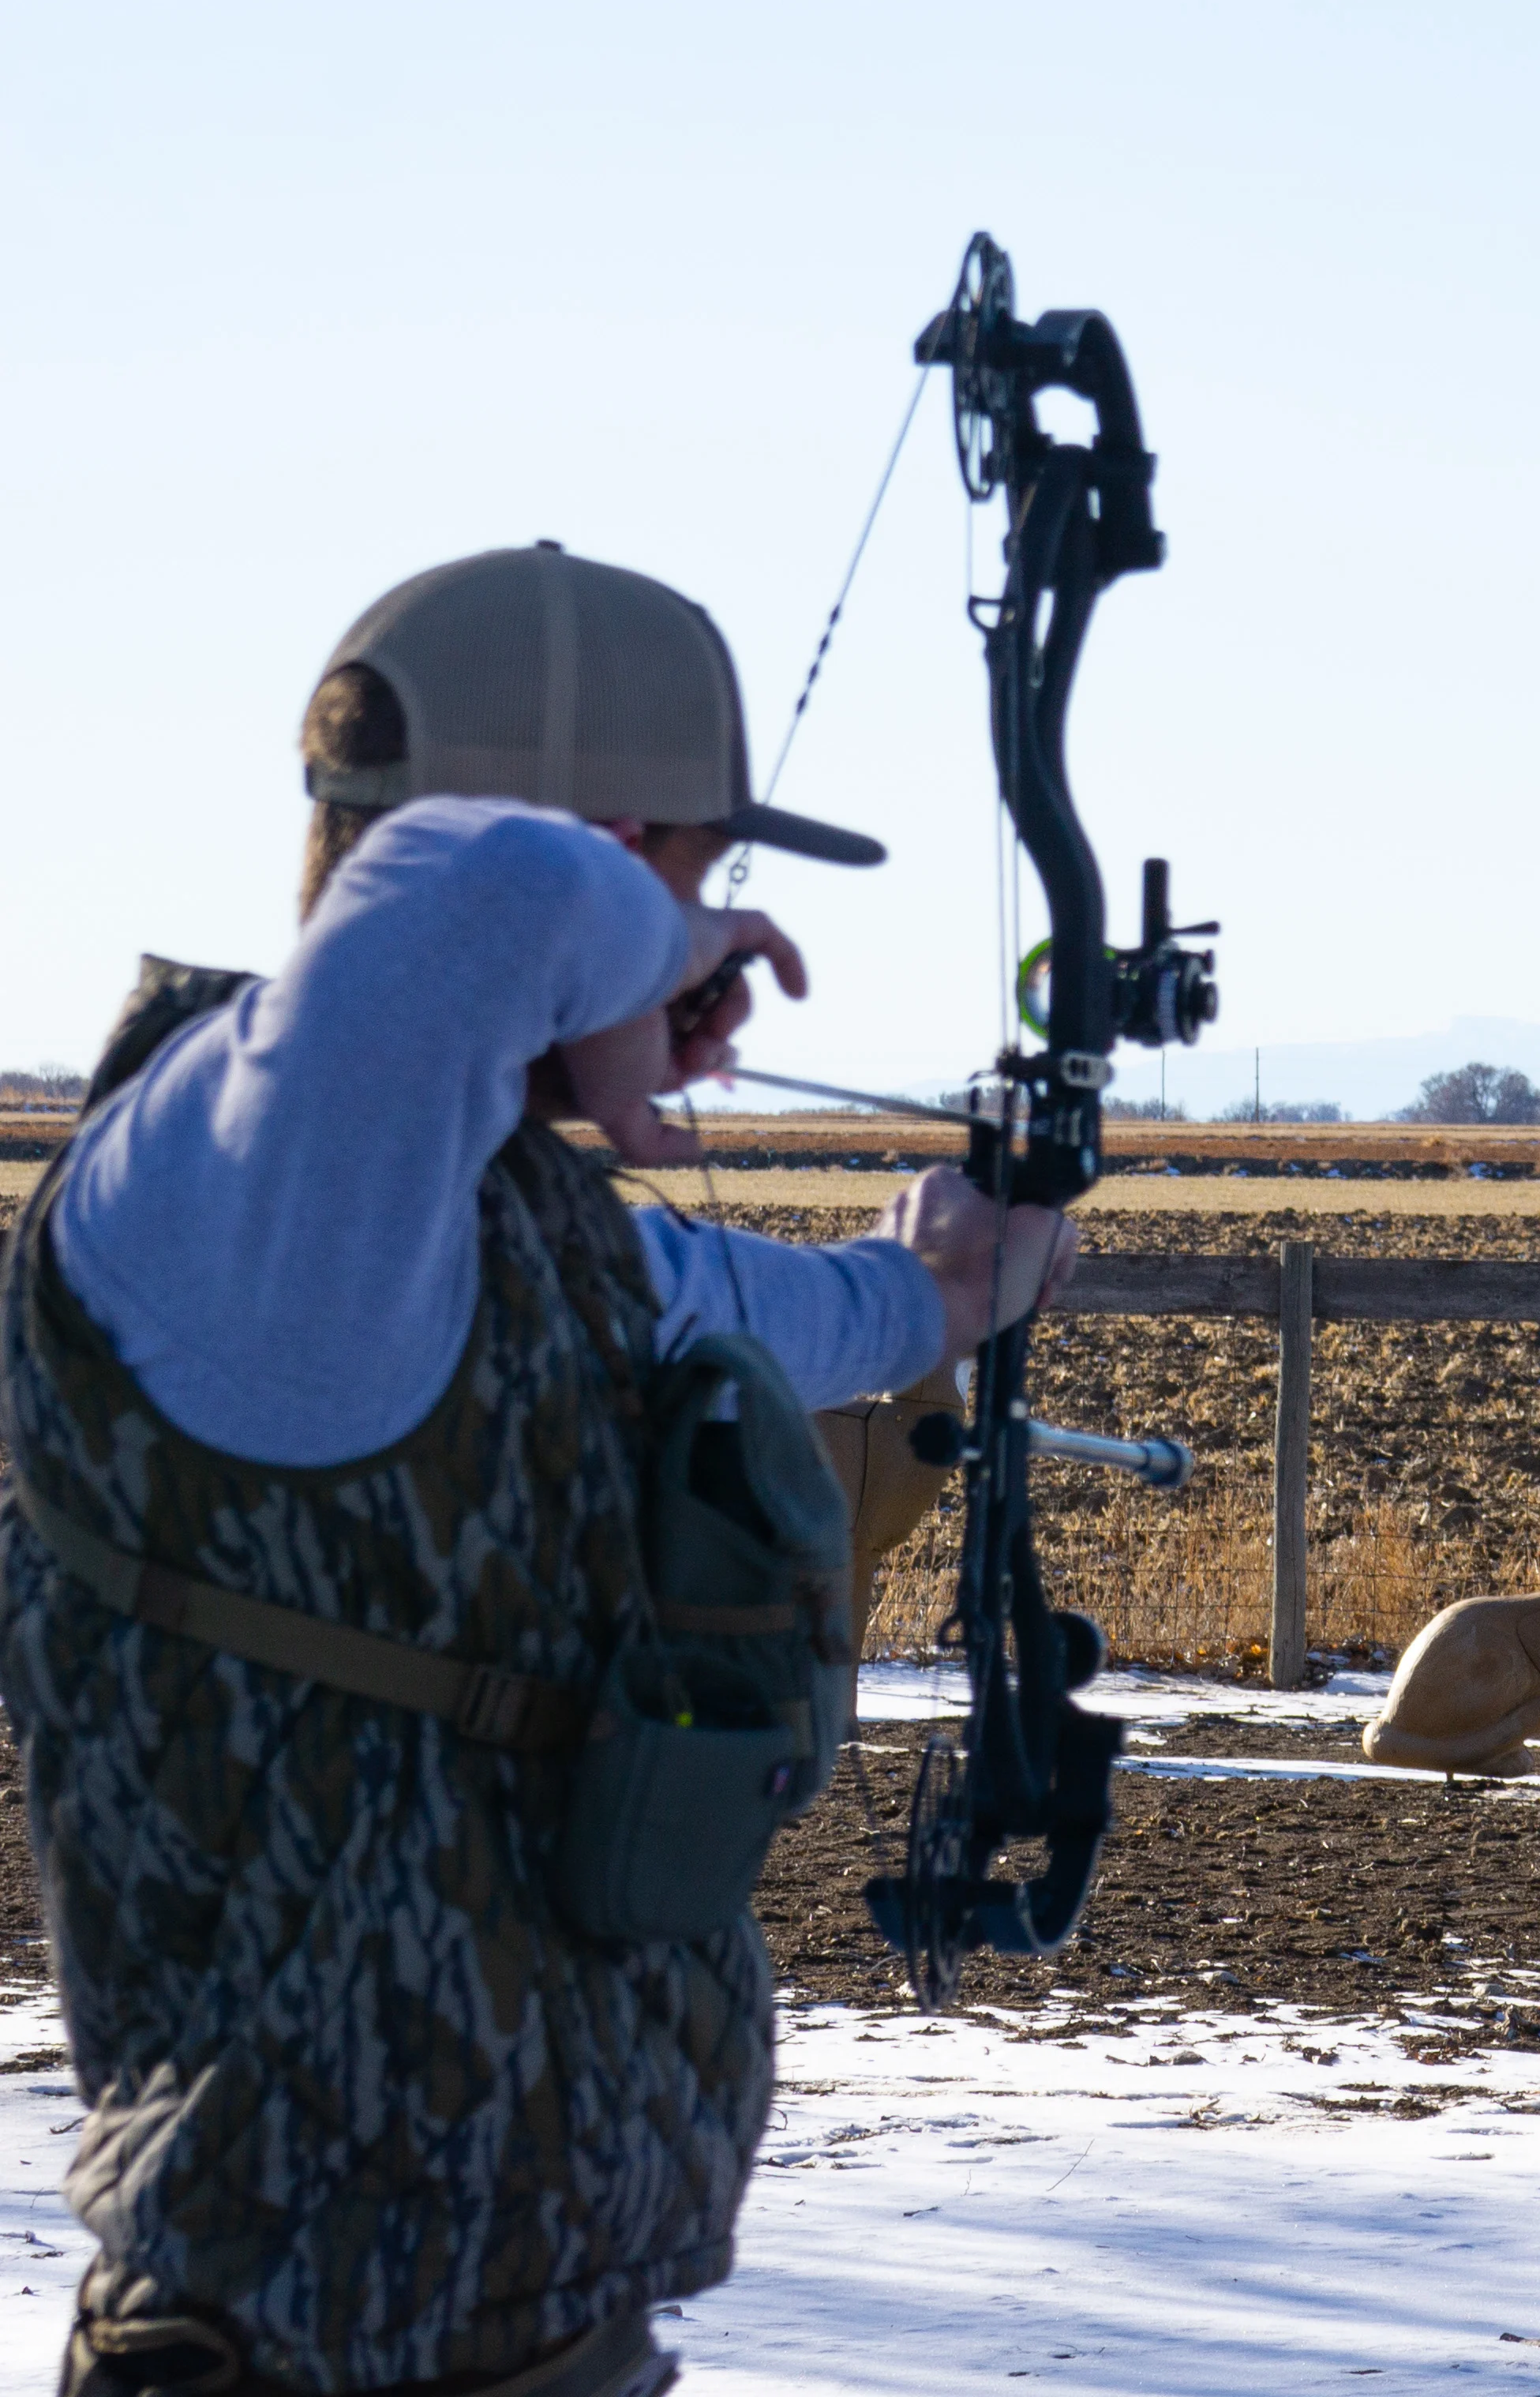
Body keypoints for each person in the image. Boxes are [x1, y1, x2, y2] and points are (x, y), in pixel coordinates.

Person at [0, 543, 1074, 2397]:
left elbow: (805, 1312)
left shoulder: (513, 1225)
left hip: (545, 2339)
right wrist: (646, 945)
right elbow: (467, 886)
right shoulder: (234, 1195)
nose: (705, 926)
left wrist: (954, 1279)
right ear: (600, 839)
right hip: (284, 2355)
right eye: (692, 869)